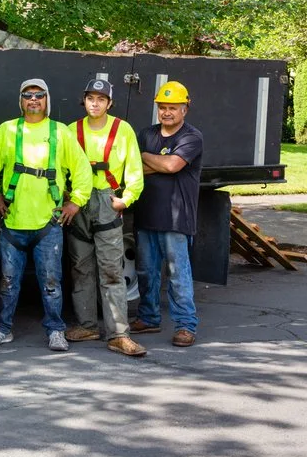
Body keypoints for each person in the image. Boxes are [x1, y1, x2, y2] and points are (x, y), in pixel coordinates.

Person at [0, 78, 93, 352]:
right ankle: (3, 328)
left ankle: (55, 330)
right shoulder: (6, 131)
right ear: (21, 101)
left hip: (48, 224)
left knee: (51, 282)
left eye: (39, 95)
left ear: (47, 100)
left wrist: (75, 203)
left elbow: (81, 170)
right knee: (7, 282)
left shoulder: (60, 133)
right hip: (12, 222)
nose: (33, 100)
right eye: (28, 95)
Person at [65, 79, 147, 357]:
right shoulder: (70, 131)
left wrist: (126, 199)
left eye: (101, 99)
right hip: (78, 200)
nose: (95, 103)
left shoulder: (122, 130)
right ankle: (87, 325)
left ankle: (118, 334)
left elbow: (135, 170)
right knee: (80, 267)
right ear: (84, 100)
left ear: (109, 103)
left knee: (111, 270)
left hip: (107, 200)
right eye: (91, 98)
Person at [131, 80, 203, 348]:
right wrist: (158, 162)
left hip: (177, 218)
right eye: (163, 107)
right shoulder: (146, 134)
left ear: (185, 108)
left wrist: (151, 159)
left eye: (173, 107)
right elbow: (134, 167)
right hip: (147, 214)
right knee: (146, 272)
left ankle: (186, 325)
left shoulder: (191, 136)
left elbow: (173, 165)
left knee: (177, 274)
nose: (167, 112)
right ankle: (148, 318)